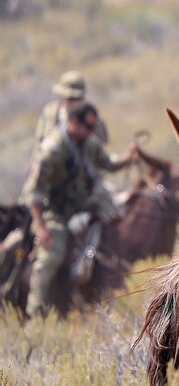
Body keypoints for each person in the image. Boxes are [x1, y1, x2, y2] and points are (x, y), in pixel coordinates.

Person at [23, 101, 135, 316]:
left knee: (119, 220)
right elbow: (34, 193)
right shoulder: (52, 151)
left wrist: (127, 158)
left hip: (84, 204)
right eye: (88, 127)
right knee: (51, 256)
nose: (92, 132)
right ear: (73, 122)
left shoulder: (88, 143)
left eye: (94, 127)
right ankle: (34, 313)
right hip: (56, 212)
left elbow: (108, 164)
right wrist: (41, 226)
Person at [35, 70, 109, 145]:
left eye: (77, 99)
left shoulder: (91, 118)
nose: (73, 103)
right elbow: (40, 140)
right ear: (62, 96)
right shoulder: (50, 112)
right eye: (70, 99)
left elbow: (101, 144)